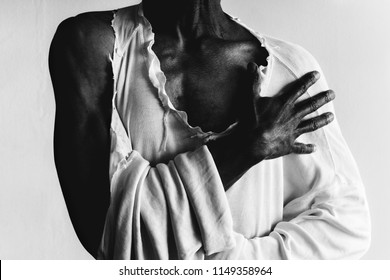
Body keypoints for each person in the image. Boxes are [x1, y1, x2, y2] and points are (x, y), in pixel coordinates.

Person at [49, 0, 370, 259]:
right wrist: (244, 148)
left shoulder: (289, 68)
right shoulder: (95, 46)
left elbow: (345, 226)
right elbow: (110, 236)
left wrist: (232, 263)